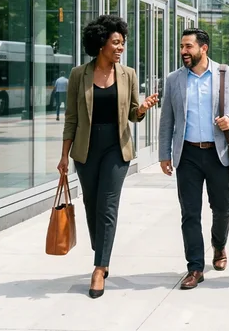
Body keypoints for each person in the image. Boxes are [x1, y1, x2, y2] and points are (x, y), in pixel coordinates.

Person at [57, 15, 159, 299]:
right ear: (100, 43)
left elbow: (132, 114)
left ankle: (100, 267)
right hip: (86, 148)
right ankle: (101, 248)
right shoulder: (79, 75)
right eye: (115, 42)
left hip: (117, 147)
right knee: (91, 204)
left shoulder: (128, 74)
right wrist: (64, 156)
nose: (120, 48)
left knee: (108, 205)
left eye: (122, 43)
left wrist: (143, 108)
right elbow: (71, 118)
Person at [159, 28, 229, 290]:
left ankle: (219, 245)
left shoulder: (226, 74)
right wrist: (164, 154)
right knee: (189, 212)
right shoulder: (174, 79)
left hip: (218, 152)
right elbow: (167, 119)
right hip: (186, 154)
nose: (183, 52)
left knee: (222, 207)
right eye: (181, 46)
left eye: (188, 46)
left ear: (204, 48)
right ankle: (195, 267)